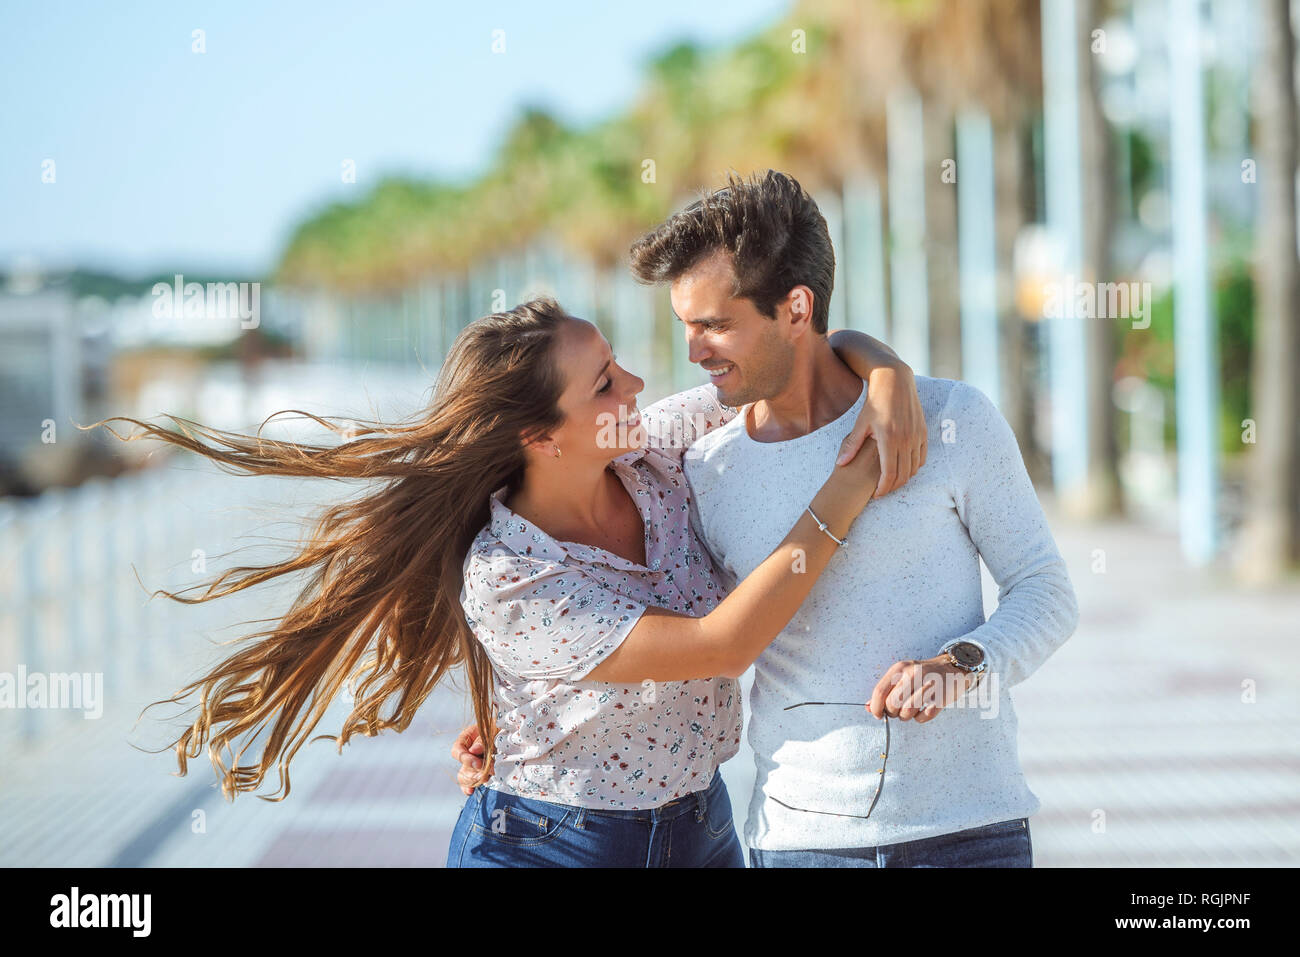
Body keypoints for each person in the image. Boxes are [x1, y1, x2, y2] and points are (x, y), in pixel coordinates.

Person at [92, 291, 926, 867]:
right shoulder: (508, 573)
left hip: (699, 827)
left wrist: (886, 373)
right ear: (539, 434)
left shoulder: (649, 452)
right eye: (603, 381)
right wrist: (850, 485)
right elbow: (723, 643)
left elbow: (786, 364)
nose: (634, 384)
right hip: (555, 843)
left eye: (617, 363)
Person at [455, 169, 1081, 868]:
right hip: (801, 842)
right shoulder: (698, 467)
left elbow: (1046, 592)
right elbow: (692, 629)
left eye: (715, 326)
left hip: (975, 827)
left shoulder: (948, 418)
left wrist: (964, 664)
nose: (692, 352)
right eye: (685, 327)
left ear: (795, 308)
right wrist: (529, 713)